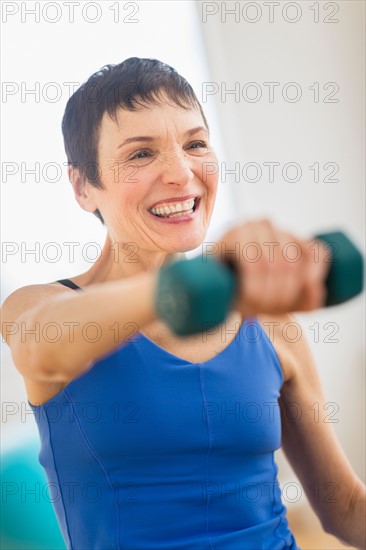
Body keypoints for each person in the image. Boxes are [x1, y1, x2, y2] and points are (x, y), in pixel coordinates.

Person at [1, 57, 364, 550]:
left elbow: (344, 508)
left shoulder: (269, 323)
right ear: (84, 186)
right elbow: (40, 347)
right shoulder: (40, 306)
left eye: (195, 144)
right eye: (141, 154)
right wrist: (208, 278)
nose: (180, 172)